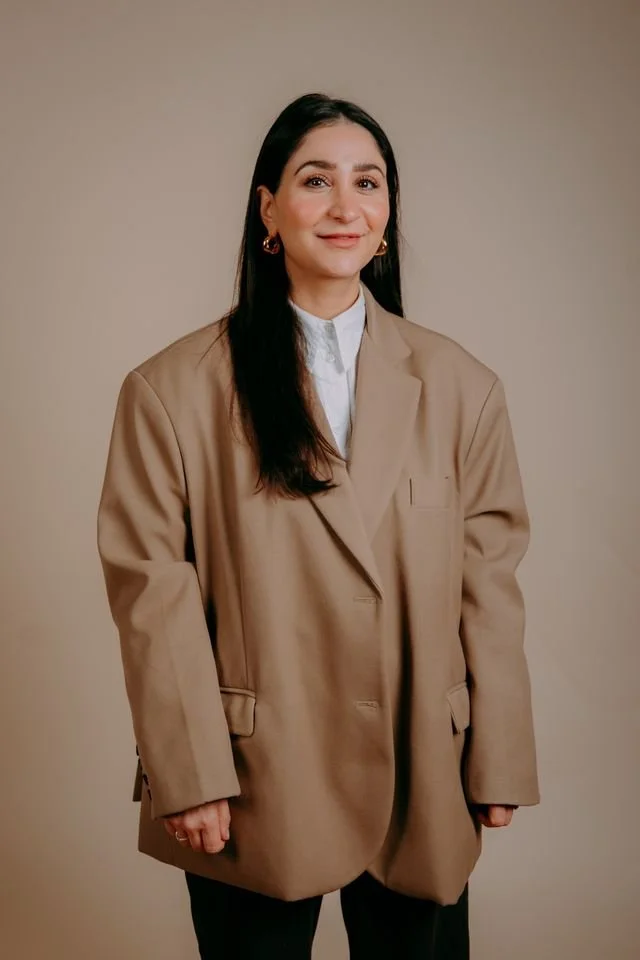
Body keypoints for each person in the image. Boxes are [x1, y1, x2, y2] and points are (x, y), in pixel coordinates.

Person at [97, 92, 540, 960]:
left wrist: (501, 756)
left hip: (421, 759)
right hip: (252, 771)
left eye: (367, 183)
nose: (345, 206)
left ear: (388, 214)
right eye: (315, 180)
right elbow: (151, 591)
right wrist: (188, 771)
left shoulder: (462, 386)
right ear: (268, 209)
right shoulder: (173, 390)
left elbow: (489, 582)